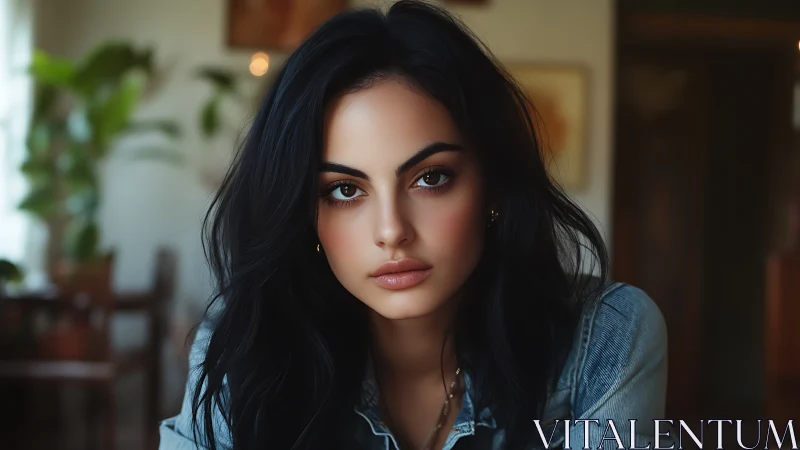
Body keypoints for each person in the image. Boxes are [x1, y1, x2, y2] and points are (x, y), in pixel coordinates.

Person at [159, 1, 669, 449]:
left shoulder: (604, 338)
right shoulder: (244, 345)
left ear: (492, 184)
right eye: (344, 190)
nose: (391, 230)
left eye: (431, 178)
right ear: (302, 213)